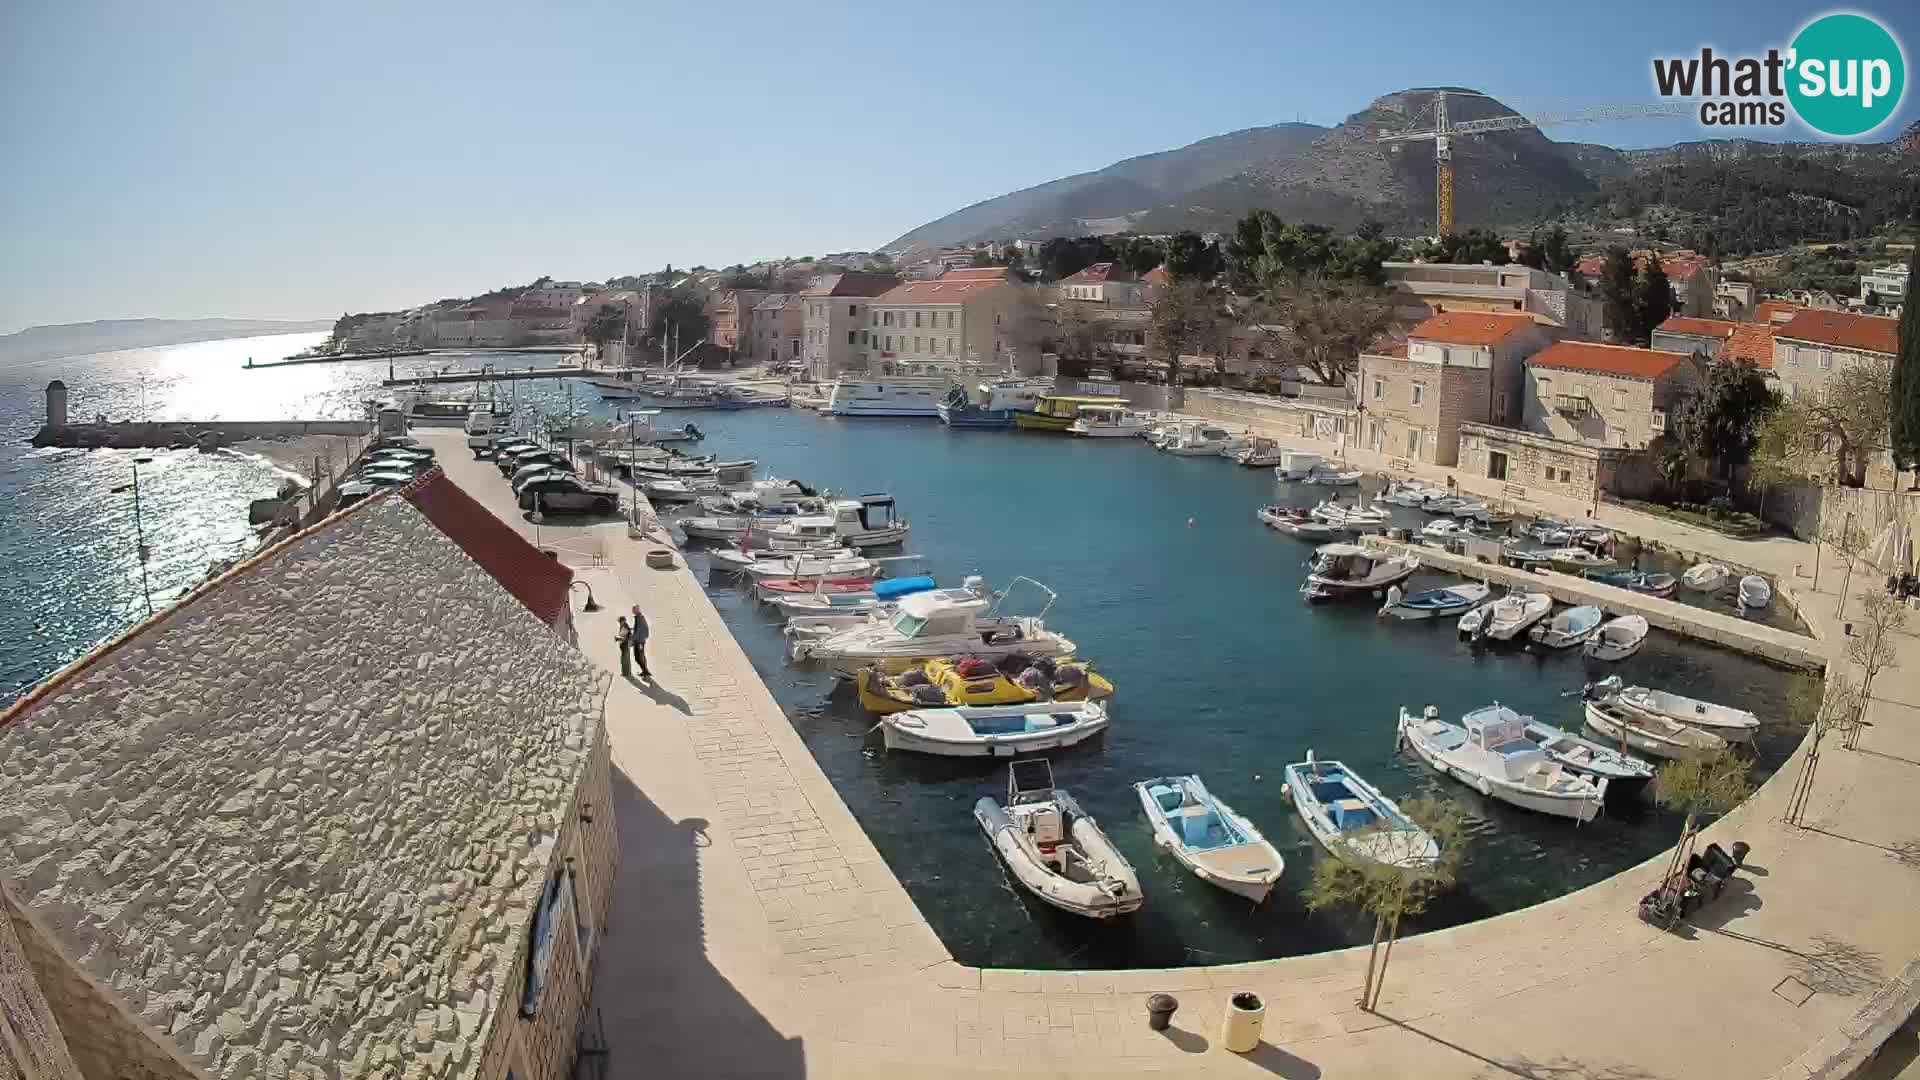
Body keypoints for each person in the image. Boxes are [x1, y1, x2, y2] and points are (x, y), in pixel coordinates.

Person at [630, 606, 652, 679]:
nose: (632, 611)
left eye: (634, 610)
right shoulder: (640, 618)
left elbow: (638, 631)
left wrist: (632, 641)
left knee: (638, 657)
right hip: (641, 641)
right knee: (641, 656)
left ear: (636, 610)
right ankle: (645, 671)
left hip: (639, 641)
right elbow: (642, 629)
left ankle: (646, 671)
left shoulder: (639, 618)